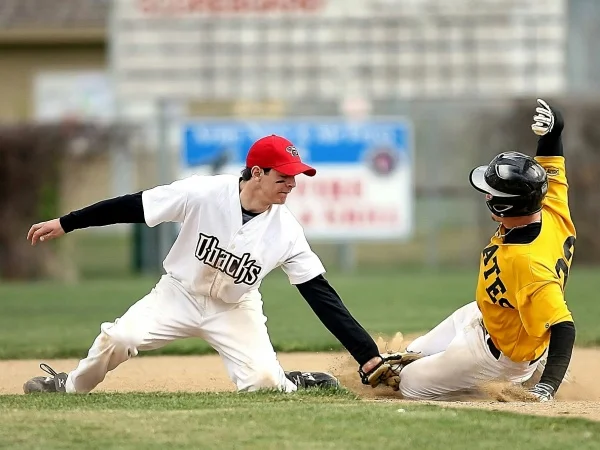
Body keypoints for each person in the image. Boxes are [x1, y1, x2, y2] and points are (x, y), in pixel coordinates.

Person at [23, 134, 409, 394]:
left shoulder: (286, 231)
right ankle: (68, 386)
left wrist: (367, 354)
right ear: (257, 172)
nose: (293, 183)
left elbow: (321, 296)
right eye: (285, 176)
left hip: (234, 309)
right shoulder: (202, 193)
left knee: (263, 385)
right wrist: (67, 222)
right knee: (120, 338)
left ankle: (288, 380)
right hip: (177, 295)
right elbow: (133, 206)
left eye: (297, 176)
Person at [395, 99, 576, 401]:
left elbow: (564, 327)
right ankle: (528, 361)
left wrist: (549, 386)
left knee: (407, 385)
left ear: (504, 205)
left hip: (498, 356)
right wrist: (553, 131)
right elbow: (551, 163)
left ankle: (504, 383)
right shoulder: (550, 206)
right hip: (487, 313)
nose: (487, 195)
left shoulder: (529, 263)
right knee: (408, 356)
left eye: (492, 192)